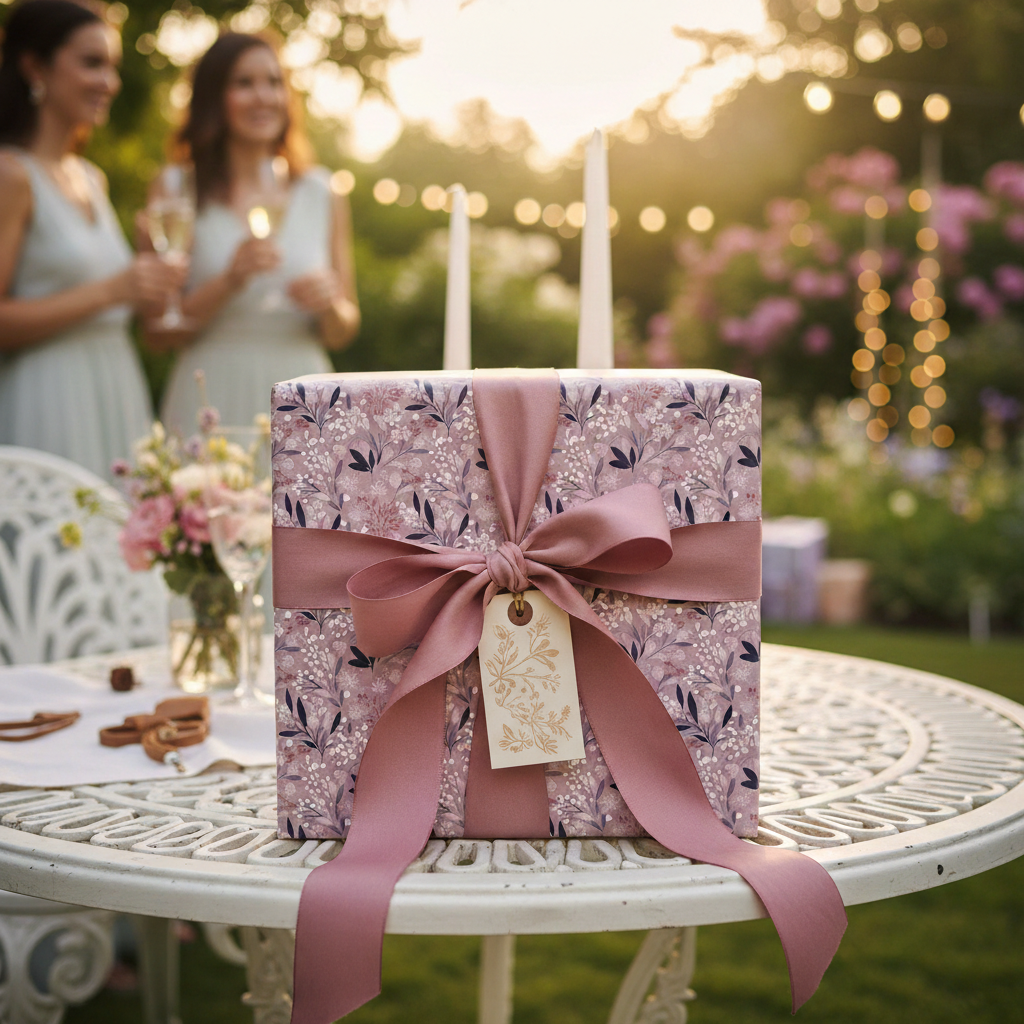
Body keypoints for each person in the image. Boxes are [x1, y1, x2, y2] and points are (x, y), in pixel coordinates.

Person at [0, 0, 183, 479]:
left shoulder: (91, 178)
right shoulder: (10, 175)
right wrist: (112, 289)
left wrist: (146, 277)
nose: (110, 83)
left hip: (116, 393)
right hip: (49, 402)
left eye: (113, 67)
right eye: (92, 63)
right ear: (34, 65)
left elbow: (122, 306)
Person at [153, 32, 359, 435]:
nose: (263, 96)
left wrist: (329, 304)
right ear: (214, 96)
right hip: (210, 390)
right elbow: (158, 331)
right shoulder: (176, 188)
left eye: (274, 82)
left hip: (304, 397)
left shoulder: (321, 190)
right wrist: (231, 280)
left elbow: (345, 328)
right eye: (244, 83)